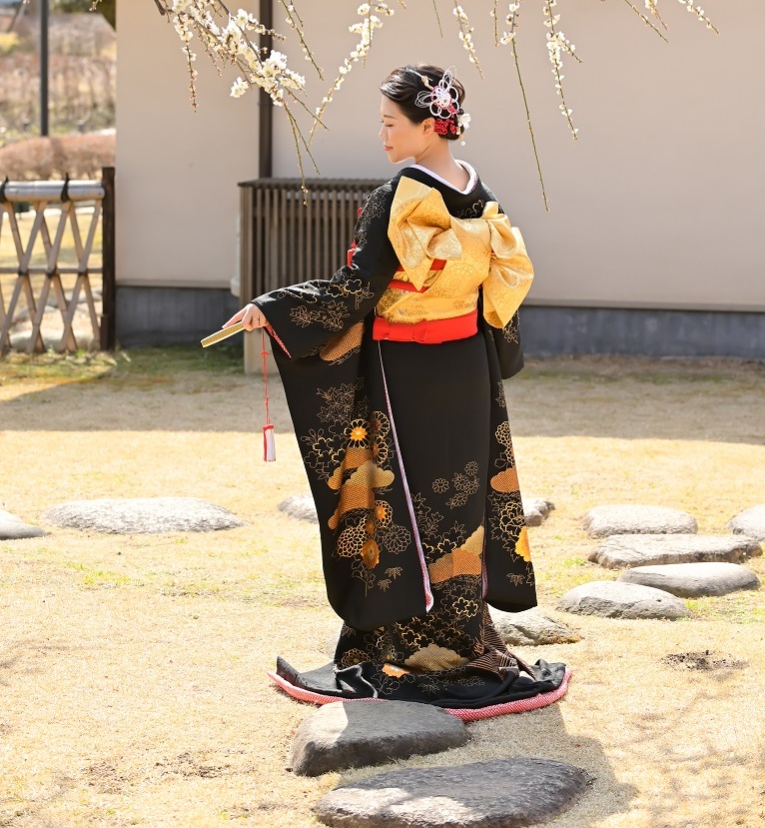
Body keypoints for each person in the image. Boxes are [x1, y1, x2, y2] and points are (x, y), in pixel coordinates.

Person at [224, 64, 568, 715]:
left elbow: (358, 289)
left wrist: (275, 308)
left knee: (403, 507)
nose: (380, 134)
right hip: (467, 368)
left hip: (407, 373)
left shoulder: (400, 195)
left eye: (390, 122)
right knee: (456, 508)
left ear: (427, 125)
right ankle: (463, 641)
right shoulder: (475, 191)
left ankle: (417, 657)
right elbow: (493, 288)